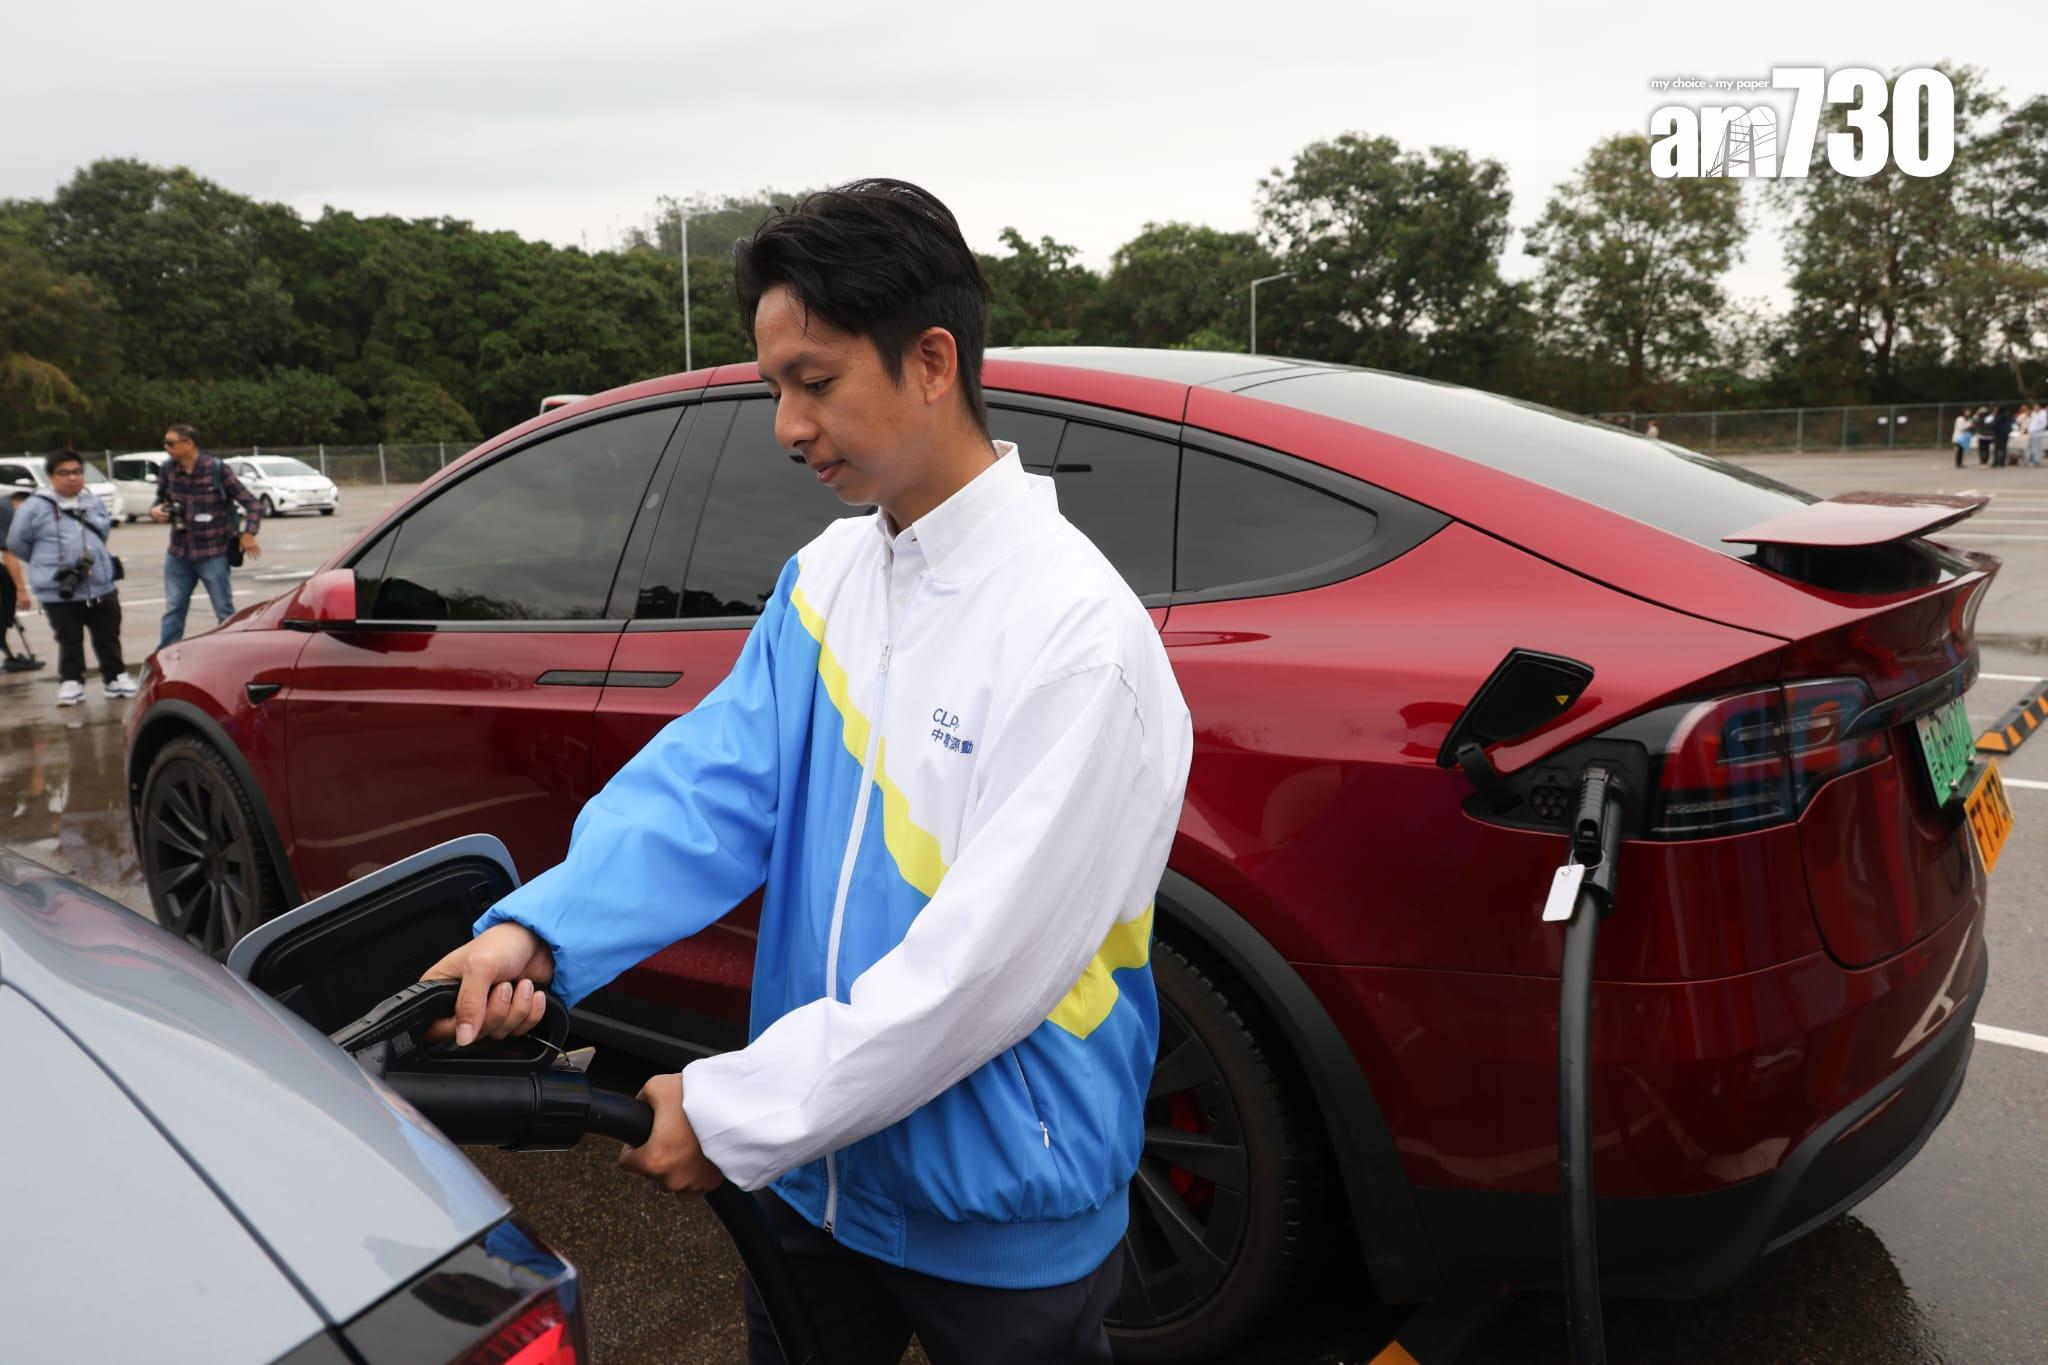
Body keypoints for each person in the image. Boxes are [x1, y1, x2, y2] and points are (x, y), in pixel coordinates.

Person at [419, 180, 1194, 1365]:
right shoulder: (829, 578)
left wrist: (734, 1112)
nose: (785, 425)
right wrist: (537, 933)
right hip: (816, 1183)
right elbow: (710, 793)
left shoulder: (1076, 639)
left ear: (931, 362)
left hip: (996, 1208)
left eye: (815, 382)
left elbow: (978, 970)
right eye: (773, 386)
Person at [4, 451, 135, 704]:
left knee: (108, 635)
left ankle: (115, 677)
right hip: (59, 588)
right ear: (51, 476)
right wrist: (46, 562)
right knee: (69, 638)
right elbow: (17, 542)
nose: (72, 478)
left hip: (99, 584)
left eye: (77, 472)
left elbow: (103, 532)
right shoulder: (35, 506)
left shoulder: (92, 501)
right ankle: (71, 682)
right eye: (64, 473)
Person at [151, 423, 262, 649]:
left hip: (213, 554)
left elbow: (252, 504)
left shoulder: (217, 469)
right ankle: (166, 657)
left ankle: (233, 653)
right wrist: (155, 511)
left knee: (224, 610)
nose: (166, 447)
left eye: (170, 443)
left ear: (189, 444)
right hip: (179, 554)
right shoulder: (168, 470)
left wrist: (248, 533)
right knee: (174, 610)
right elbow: (158, 500)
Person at [1, 490, 45, 673]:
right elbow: (8, 552)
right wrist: (21, 589)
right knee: (7, 590)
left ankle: (7, 653)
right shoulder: (6, 510)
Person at [2028, 402, 2047, 468]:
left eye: (2036, 406)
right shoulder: (2033, 413)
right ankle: (2032, 460)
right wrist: (2030, 430)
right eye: (2034, 406)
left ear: (2039, 406)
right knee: (2031, 448)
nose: (2035, 408)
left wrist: (2035, 430)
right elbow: (2031, 423)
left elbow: (2043, 424)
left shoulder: (2042, 413)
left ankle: (2037, 461)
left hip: (2038, 434)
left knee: (2037, 448)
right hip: (2031, 434)